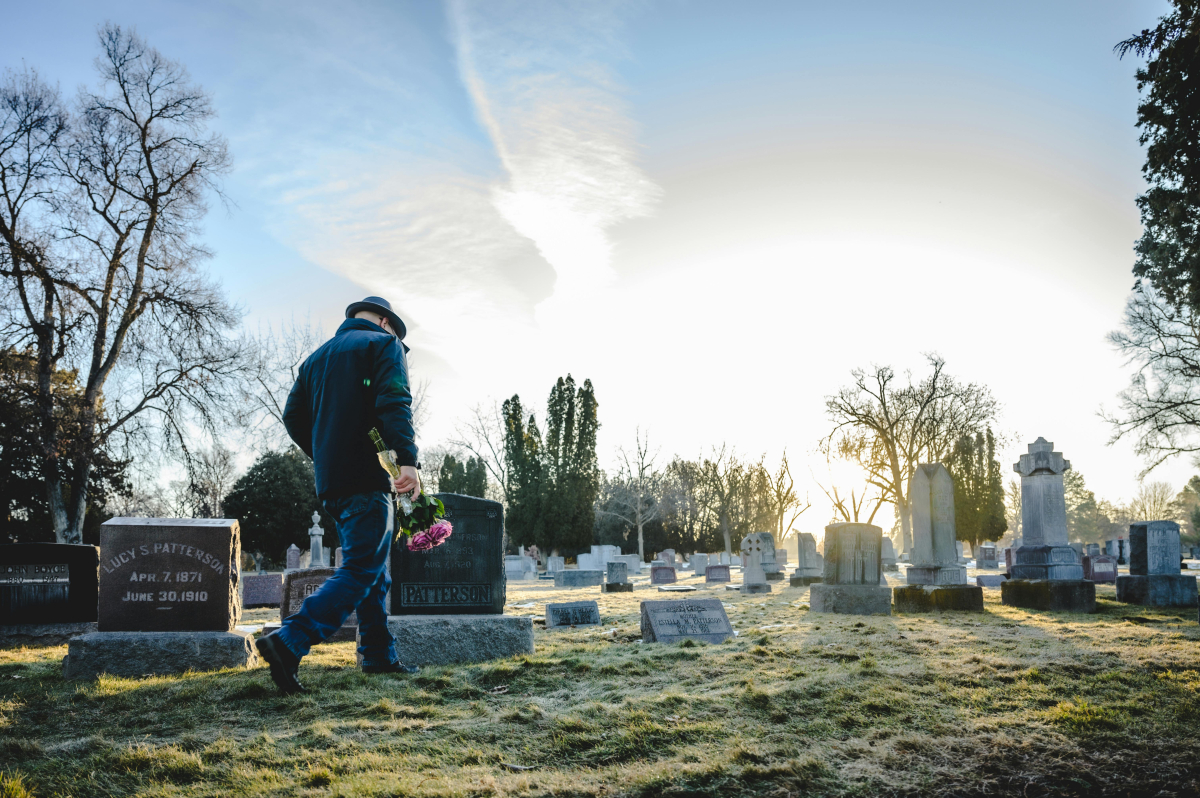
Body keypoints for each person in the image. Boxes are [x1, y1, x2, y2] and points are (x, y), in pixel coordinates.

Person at [255, 295, 421, 695]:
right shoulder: (383, 345)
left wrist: (326, 452)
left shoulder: (314, 360)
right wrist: (408, 462)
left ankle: (379, 654)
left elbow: (293, 417)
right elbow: (394, 401)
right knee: (362, 568)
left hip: (332, 481)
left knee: (372, 568)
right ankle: (290, 639)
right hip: (367, 476)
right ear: (385, 322)